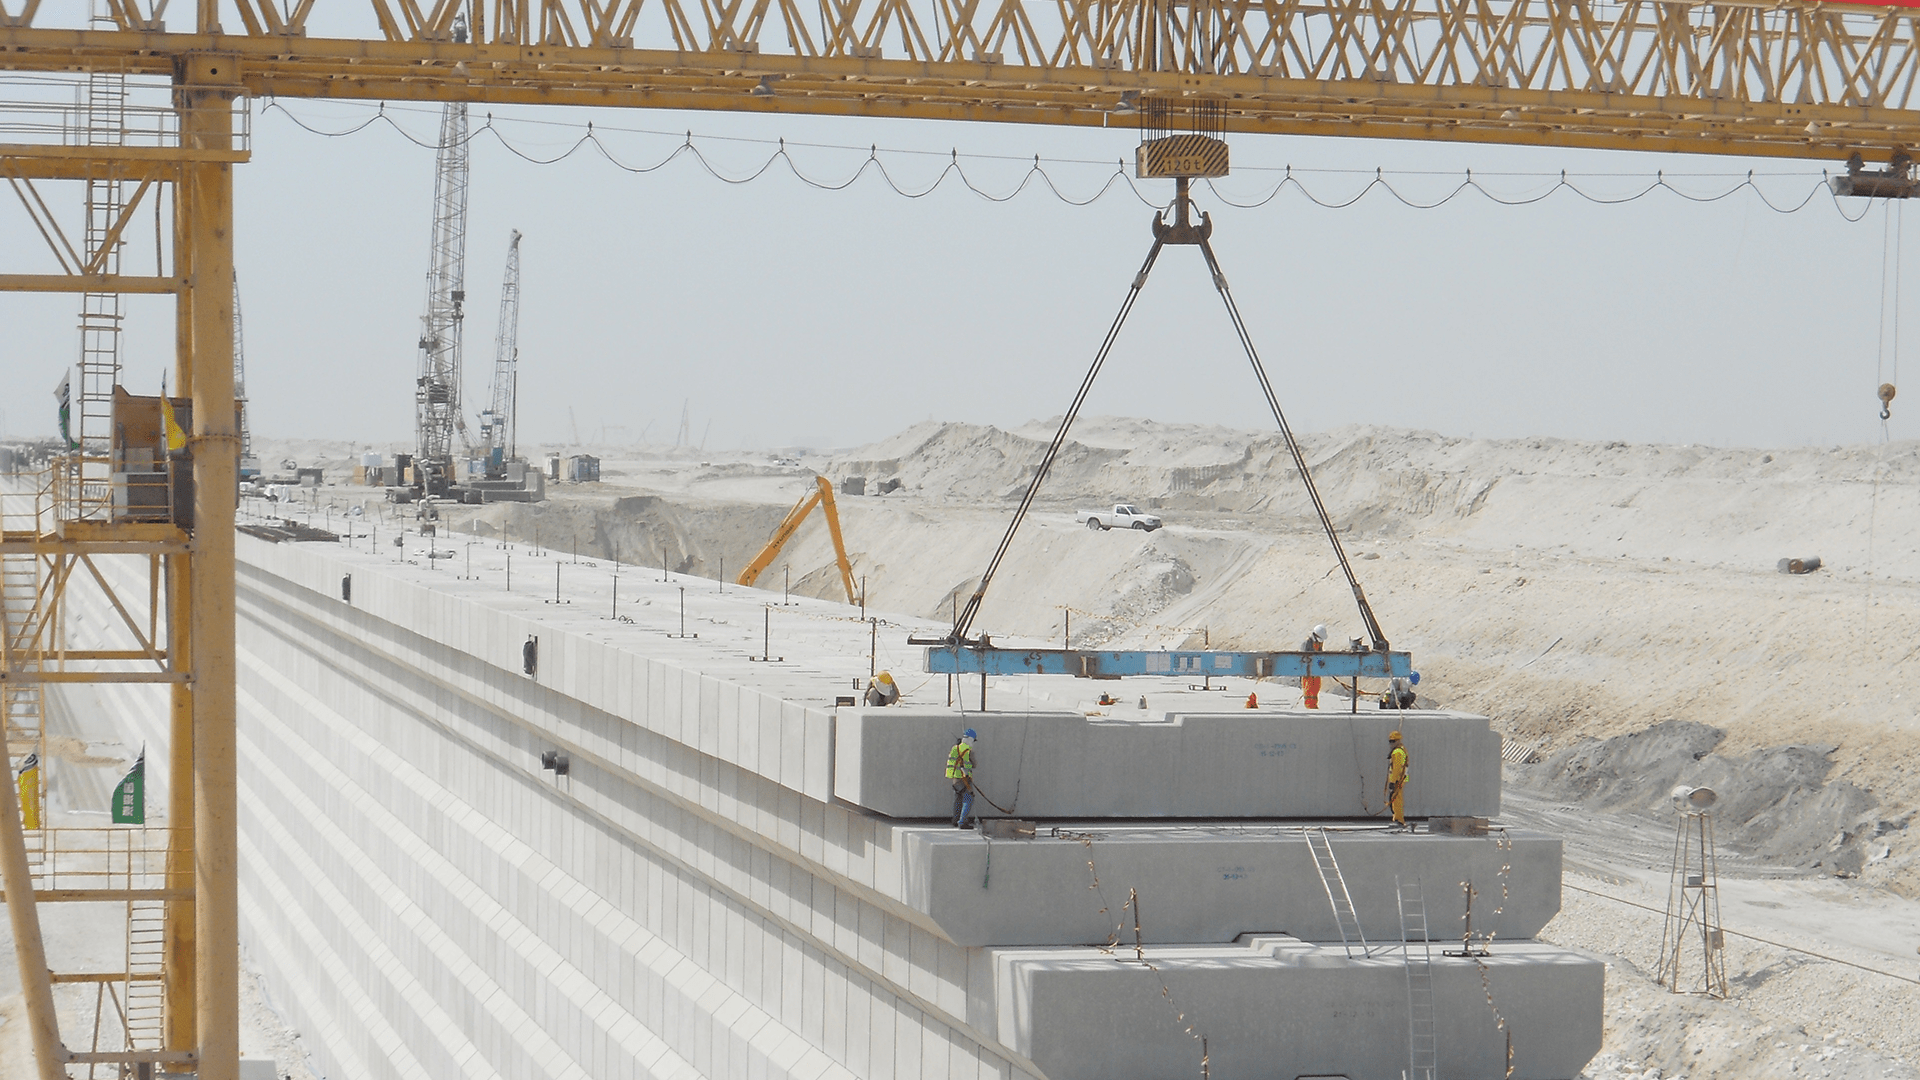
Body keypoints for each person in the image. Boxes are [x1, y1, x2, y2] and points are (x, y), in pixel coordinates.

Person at [947, 728, 977, 829]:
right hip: (964, 779)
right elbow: (974, 764)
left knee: (958, 799)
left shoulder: (955, 748)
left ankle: (955, 820)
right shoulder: (968, 751)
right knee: (968, 799)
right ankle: (962, 821)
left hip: (955, 779)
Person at [1386, 730, 1410, 830]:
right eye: (1390, 741)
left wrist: (1393, 781)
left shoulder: (1397, 752)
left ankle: (1399, 820)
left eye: (1393, 741)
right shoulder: (1401, 750)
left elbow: (1396, 768)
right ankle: (1397, 818)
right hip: (1400, 779)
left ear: (1398, 741)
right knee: (1395, 799)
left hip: (1398, 780)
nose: (1391, 743)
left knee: (1396, 800)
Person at [1301, 624, 1327, 709]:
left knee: (1316, 687)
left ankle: (1314, 704)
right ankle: (1309, 705)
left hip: (1316, 670)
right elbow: (1303, 658)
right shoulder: (1307, 643)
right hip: (1307, 671)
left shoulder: (1319, 643)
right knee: (1309, 688)